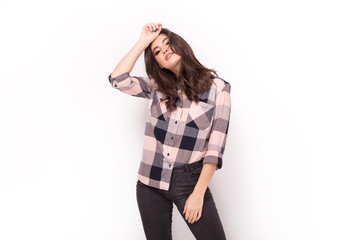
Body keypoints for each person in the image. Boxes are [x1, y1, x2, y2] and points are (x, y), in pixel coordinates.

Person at [108, 22, 231, 240]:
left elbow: (215, 149)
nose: (164, 49)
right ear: (158, 63)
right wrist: (143, 41)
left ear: (180, 46)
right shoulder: (155, 86)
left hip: (190, 182)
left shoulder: (217, 88)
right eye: (157, 51)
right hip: (149, 183)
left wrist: (198, 192)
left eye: (167, 43)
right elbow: (117, 80)